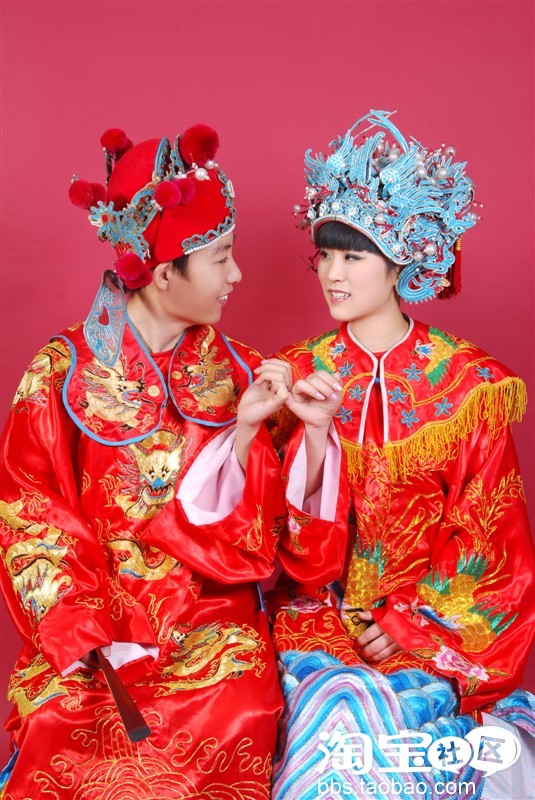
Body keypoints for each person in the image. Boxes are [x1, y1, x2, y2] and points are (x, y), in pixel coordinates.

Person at [0, 124, 288, 798]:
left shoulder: (243, 374)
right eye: (221, 258)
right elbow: (29, 511)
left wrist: (253, 434)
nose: (237, 275)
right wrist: (82, 628)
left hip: (210, 624)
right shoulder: (61, 371)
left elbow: (267, 527)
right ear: (163, 274)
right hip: (98, 621)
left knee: (239, 710)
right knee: (59, 720)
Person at [263, 110, 535, 799]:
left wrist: (410, 622)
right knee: (329, 720)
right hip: (316, 621)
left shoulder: (467, 385)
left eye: (352, 257)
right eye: (324, 256)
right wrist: (314, 436)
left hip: (426, 628)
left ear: (400, 262)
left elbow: (490, 535)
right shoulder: (296, 374)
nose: (332, 274)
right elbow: (282, 540)